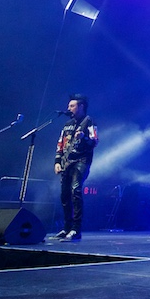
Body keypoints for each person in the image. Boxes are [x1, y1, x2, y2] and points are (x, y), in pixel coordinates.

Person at [53, 94, 98, 241]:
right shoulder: (67, 125)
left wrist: (83, 138)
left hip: (81, 161)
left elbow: (95, 141)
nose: (69, 108)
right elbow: (60, 144)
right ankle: (67, 228)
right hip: (67, 162)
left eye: (72, 106)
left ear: (81, 106)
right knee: (64, 195)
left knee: (75, 191)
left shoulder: (88, 121)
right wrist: (57, 162)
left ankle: (76, 229)